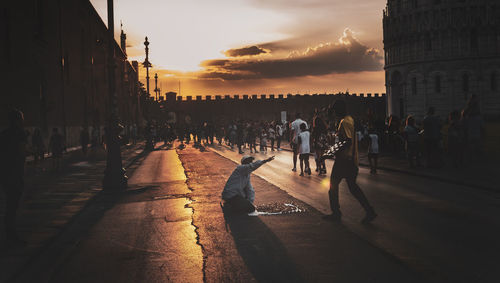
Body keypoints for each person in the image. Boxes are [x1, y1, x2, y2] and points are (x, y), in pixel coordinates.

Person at [323, 100, 377, 224]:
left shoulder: (345, 122)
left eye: (335, 111)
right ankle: (369, 211)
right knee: (353, 188)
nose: (335, 113)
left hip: (345, 160)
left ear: (339, 110)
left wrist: (330, 152)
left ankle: (336, 213)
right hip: (350, 160)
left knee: (333, 186)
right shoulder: (349, 120)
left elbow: (347, 141)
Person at [0, 109, 27, 245]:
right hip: (16, 173)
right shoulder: (20, 134)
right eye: (21, 119)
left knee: (9, 205)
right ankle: (12, 235)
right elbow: (22, 153)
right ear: (17, 120)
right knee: (13, 205)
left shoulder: (3, 134)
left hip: (5, 174)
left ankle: (9, 232)